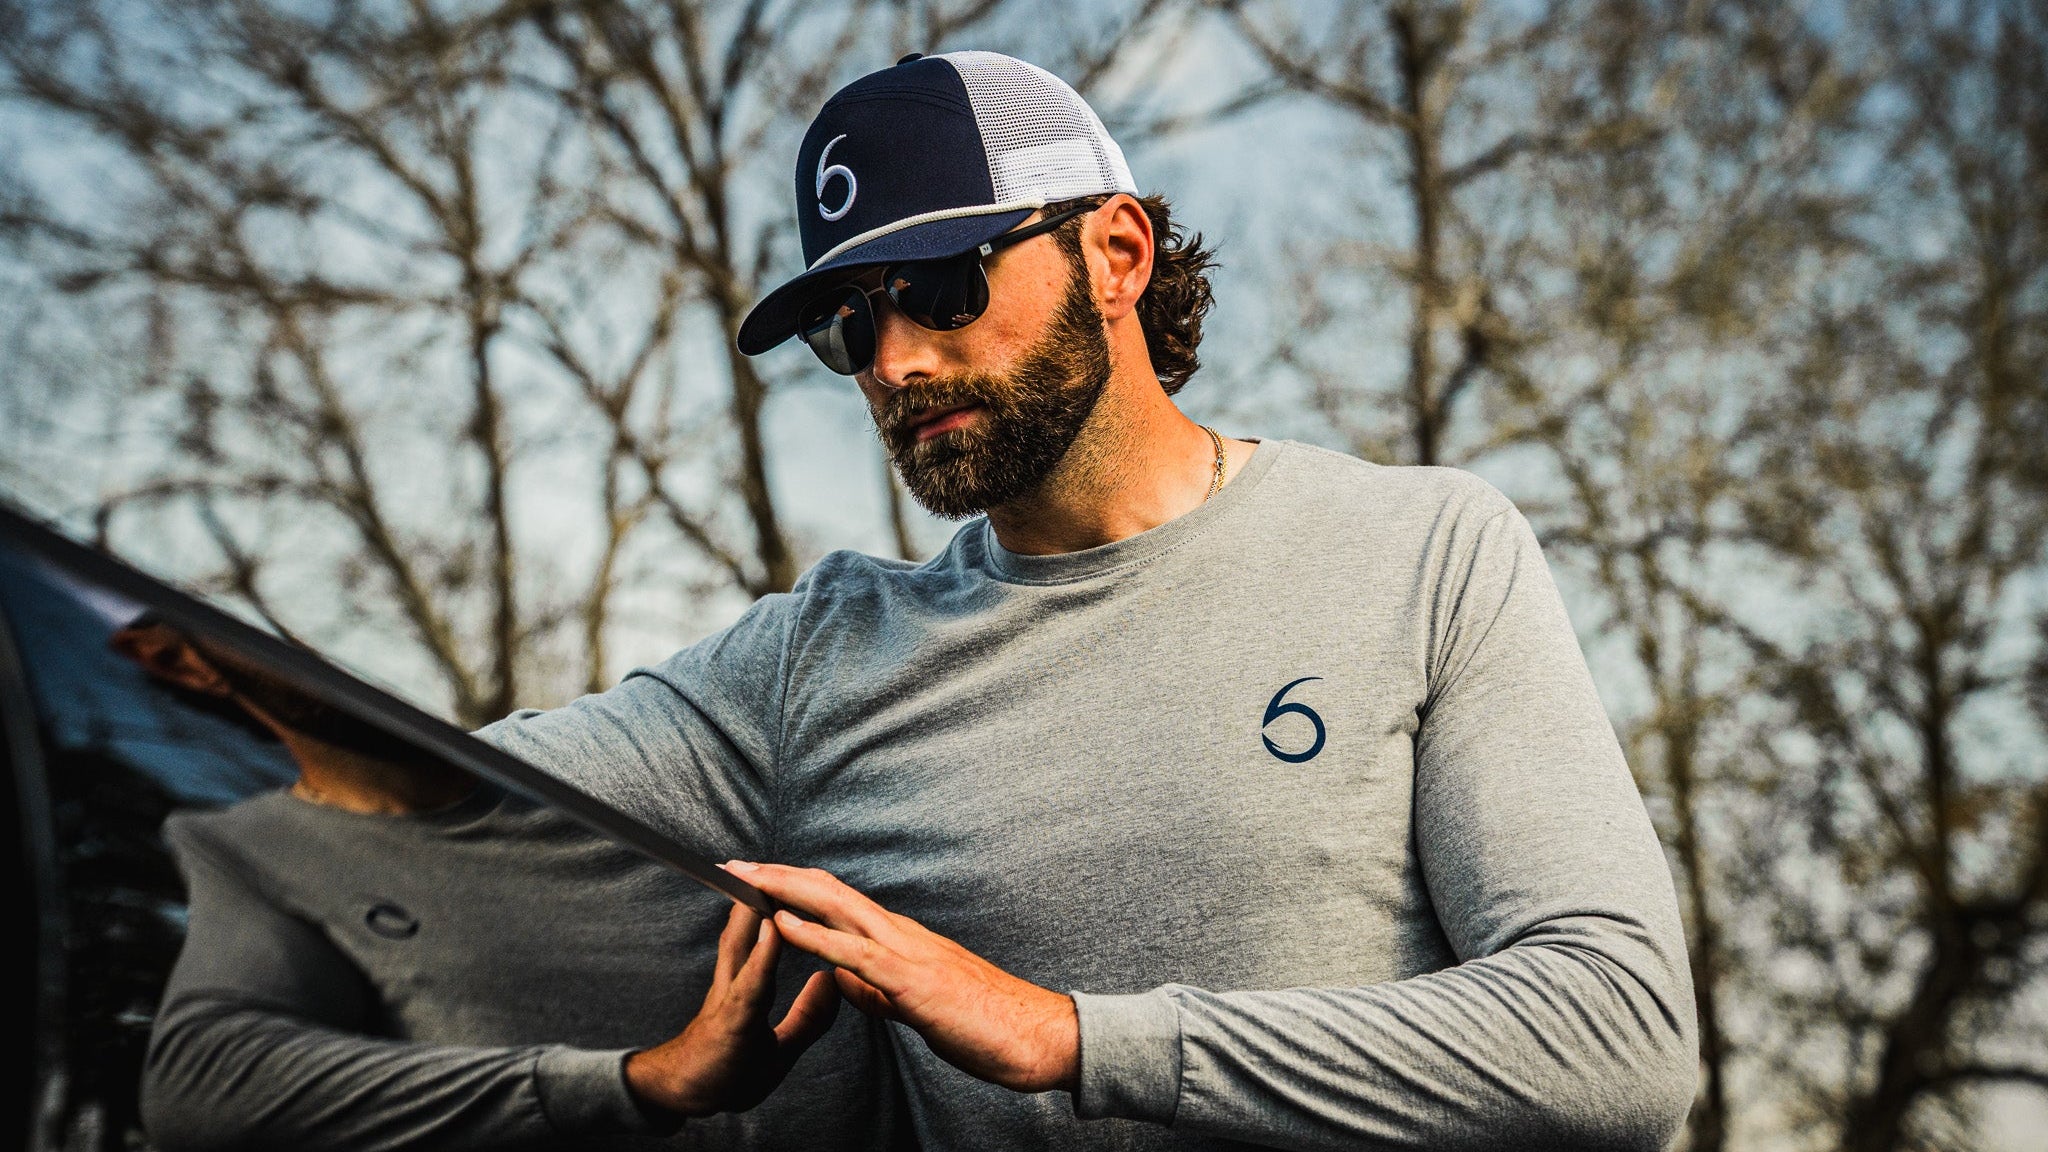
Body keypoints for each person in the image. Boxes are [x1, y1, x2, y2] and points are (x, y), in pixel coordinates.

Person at [479, 50, 1698, 1150]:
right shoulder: (815, 663)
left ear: (1114, 254)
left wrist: (1066, 1037)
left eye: (943, 284)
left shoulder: (1422, 550)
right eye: (851, 326)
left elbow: (1616, 1038)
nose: (896, 360)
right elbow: (428, 799)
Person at [117, 619, 895, 1151]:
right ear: (175, 659)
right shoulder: (248, 848)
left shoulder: (643, 750)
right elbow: (198, 1084)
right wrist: (645, 1080)